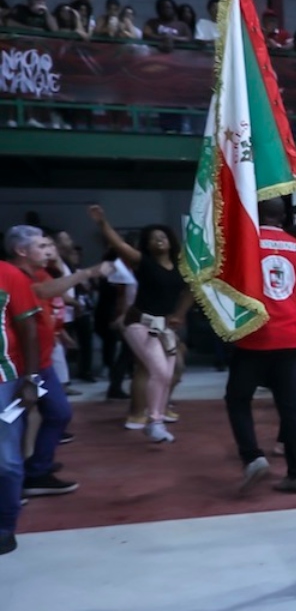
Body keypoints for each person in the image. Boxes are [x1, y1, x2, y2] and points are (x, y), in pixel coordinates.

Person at [223, 197, 296, 494]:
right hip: (291, 336)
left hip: (255, 335)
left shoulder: (245, 244)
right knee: (290, 406)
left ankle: (252, 457)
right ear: (282, 216)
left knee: (238, 398)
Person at [7, 226, 111, 495]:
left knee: (53, 414)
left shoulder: (37, 272)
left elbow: (50, 297)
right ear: (21, 251)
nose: (48, 250)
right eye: (41, 246)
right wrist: (86, 273)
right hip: (20, 368)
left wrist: (60, 332)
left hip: (40, 365)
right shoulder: (14, 276)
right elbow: (43, 291)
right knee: (14, 422)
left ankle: (34, 470)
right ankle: (19, 479)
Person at [87, 207, 191, 443]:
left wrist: (179, 314)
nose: (159, 239)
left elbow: (191, 291)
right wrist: (103, 223)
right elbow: (119, 245)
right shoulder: (142, 262)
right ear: (147, 245)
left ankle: (157, 421)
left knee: (168, 373)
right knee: (160, 371)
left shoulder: (182, 267)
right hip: (139, 324)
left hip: (166, 326)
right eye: (153, 238)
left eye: (162, 236)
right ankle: (151, 420)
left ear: (170, 240)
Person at [0, 256, 43, 555]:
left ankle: (5, 526)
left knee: (6, 460)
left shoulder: (9, 275)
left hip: (3, 379)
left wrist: (30, 378)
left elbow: (29, 328)